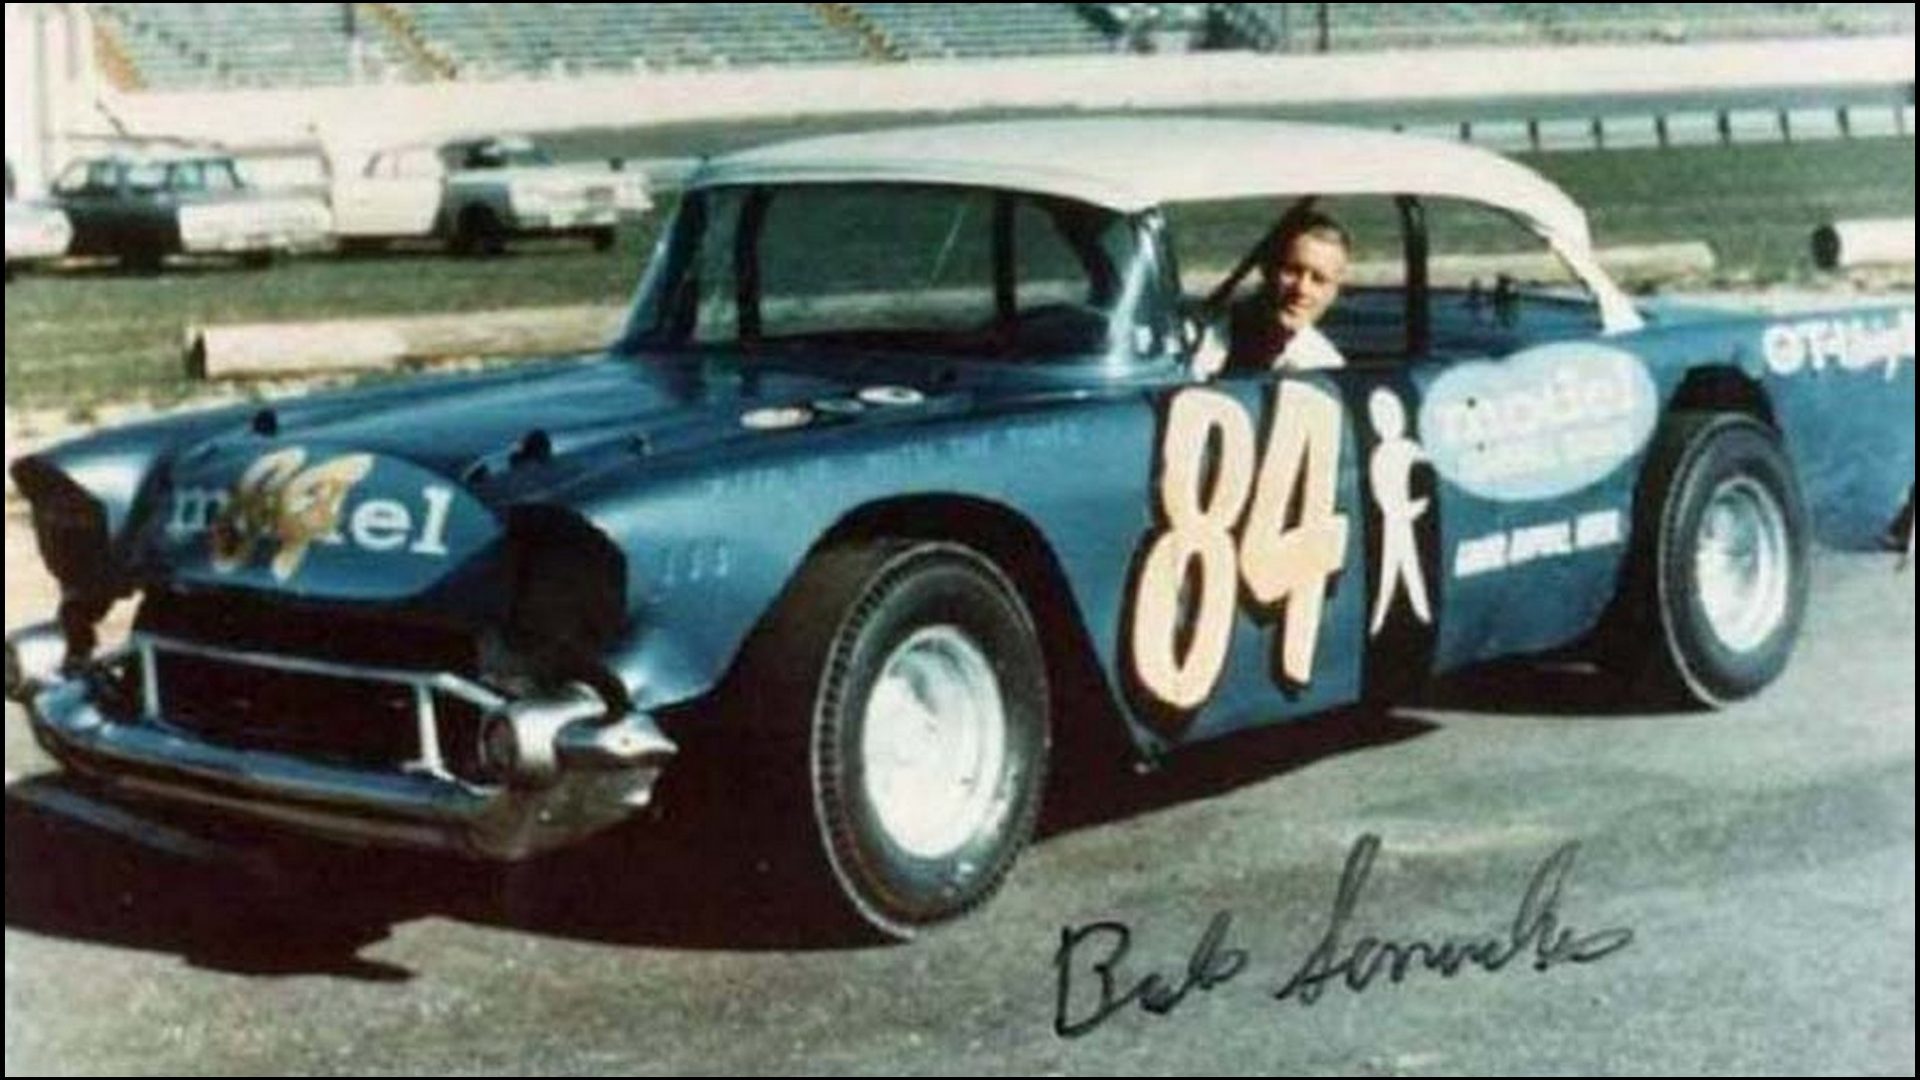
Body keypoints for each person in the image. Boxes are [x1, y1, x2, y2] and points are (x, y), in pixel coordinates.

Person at [1227, 208, 1350, 373]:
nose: (1302, 289)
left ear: (1333, 292)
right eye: (1293, 271)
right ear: (1267, 268)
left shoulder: (1325, 366)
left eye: (1318, 279)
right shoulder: (1195, 337)